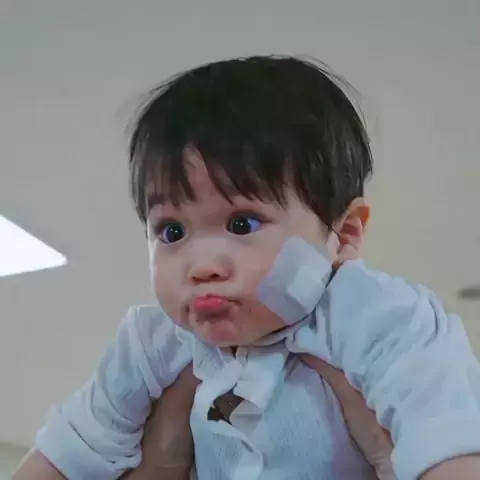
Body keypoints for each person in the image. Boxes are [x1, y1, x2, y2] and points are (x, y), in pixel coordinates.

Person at [12, 55, 480, 479]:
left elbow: (448, 440)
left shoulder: (380, 318)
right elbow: (66, 453)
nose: (201, 267)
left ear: (345, 235)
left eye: (242, 223)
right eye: (171, 231)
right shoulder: (152, 346)